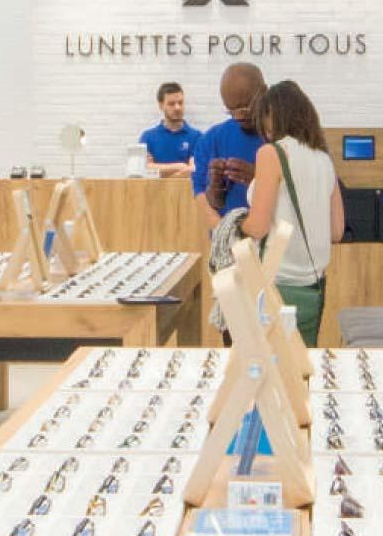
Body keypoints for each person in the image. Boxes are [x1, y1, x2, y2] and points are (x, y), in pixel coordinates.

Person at [234, 81, 344, 346]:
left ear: (274, 115)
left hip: (275, 285)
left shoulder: (272, 154)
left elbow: (258, 227)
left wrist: (238, 223)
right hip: (313, 287)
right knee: (300, 370)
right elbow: (337, 231)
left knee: (267, 370)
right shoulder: (323, 159)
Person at [189, 62, 268, 229]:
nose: (239, 116)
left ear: (264, 92)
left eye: (246, 108)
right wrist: (215, 191)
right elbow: (202, 197)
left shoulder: (285, 138)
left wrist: (259, 183)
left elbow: (299, 200)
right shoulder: (210, 140)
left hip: (275, 247)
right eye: (231, 110)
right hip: (228, 247)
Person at [138, 82, 198, 176]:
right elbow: (143, 170)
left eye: (180, 103)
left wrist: (157, 168)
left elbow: (194, 169)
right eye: (171, 104)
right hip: (155, 190)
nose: (177, 107)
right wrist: (181, 166)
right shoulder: (148, 137)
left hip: (185, 191)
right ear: (161, 106)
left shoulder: (197, 137)